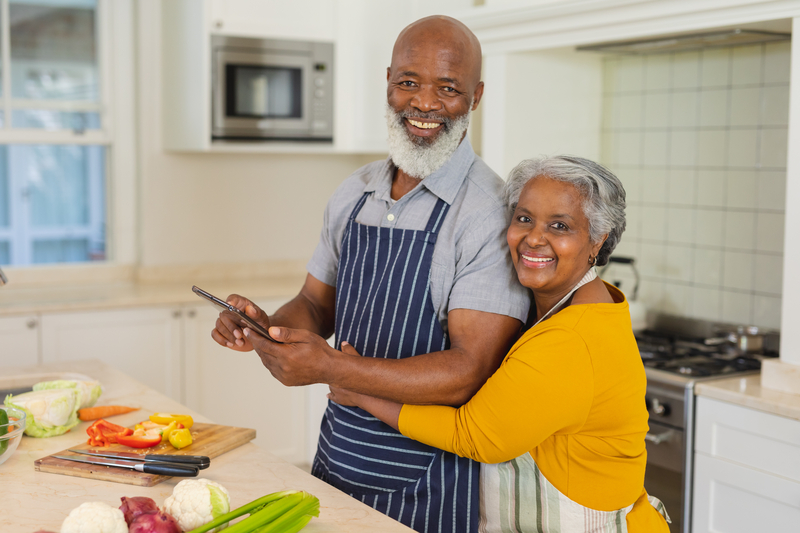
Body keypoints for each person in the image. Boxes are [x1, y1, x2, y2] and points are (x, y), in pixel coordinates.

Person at [211, 15, 530, 533]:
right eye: (409, 82)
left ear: (475, 97)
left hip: (431, 478)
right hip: (339, 455)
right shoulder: (354, 192)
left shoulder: (488, 212)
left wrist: (334, 370)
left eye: (447, 89)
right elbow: (316, 305)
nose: (424, 104)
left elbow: (468, 371)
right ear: (388, 81)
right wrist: (266, 327)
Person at [328, 156, 672, 532]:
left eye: (560, 226)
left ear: (598, 240)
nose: (534, 237)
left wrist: (360, 392)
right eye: (524, 218)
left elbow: (476, 435)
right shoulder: (581, 303)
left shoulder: (570, 340)